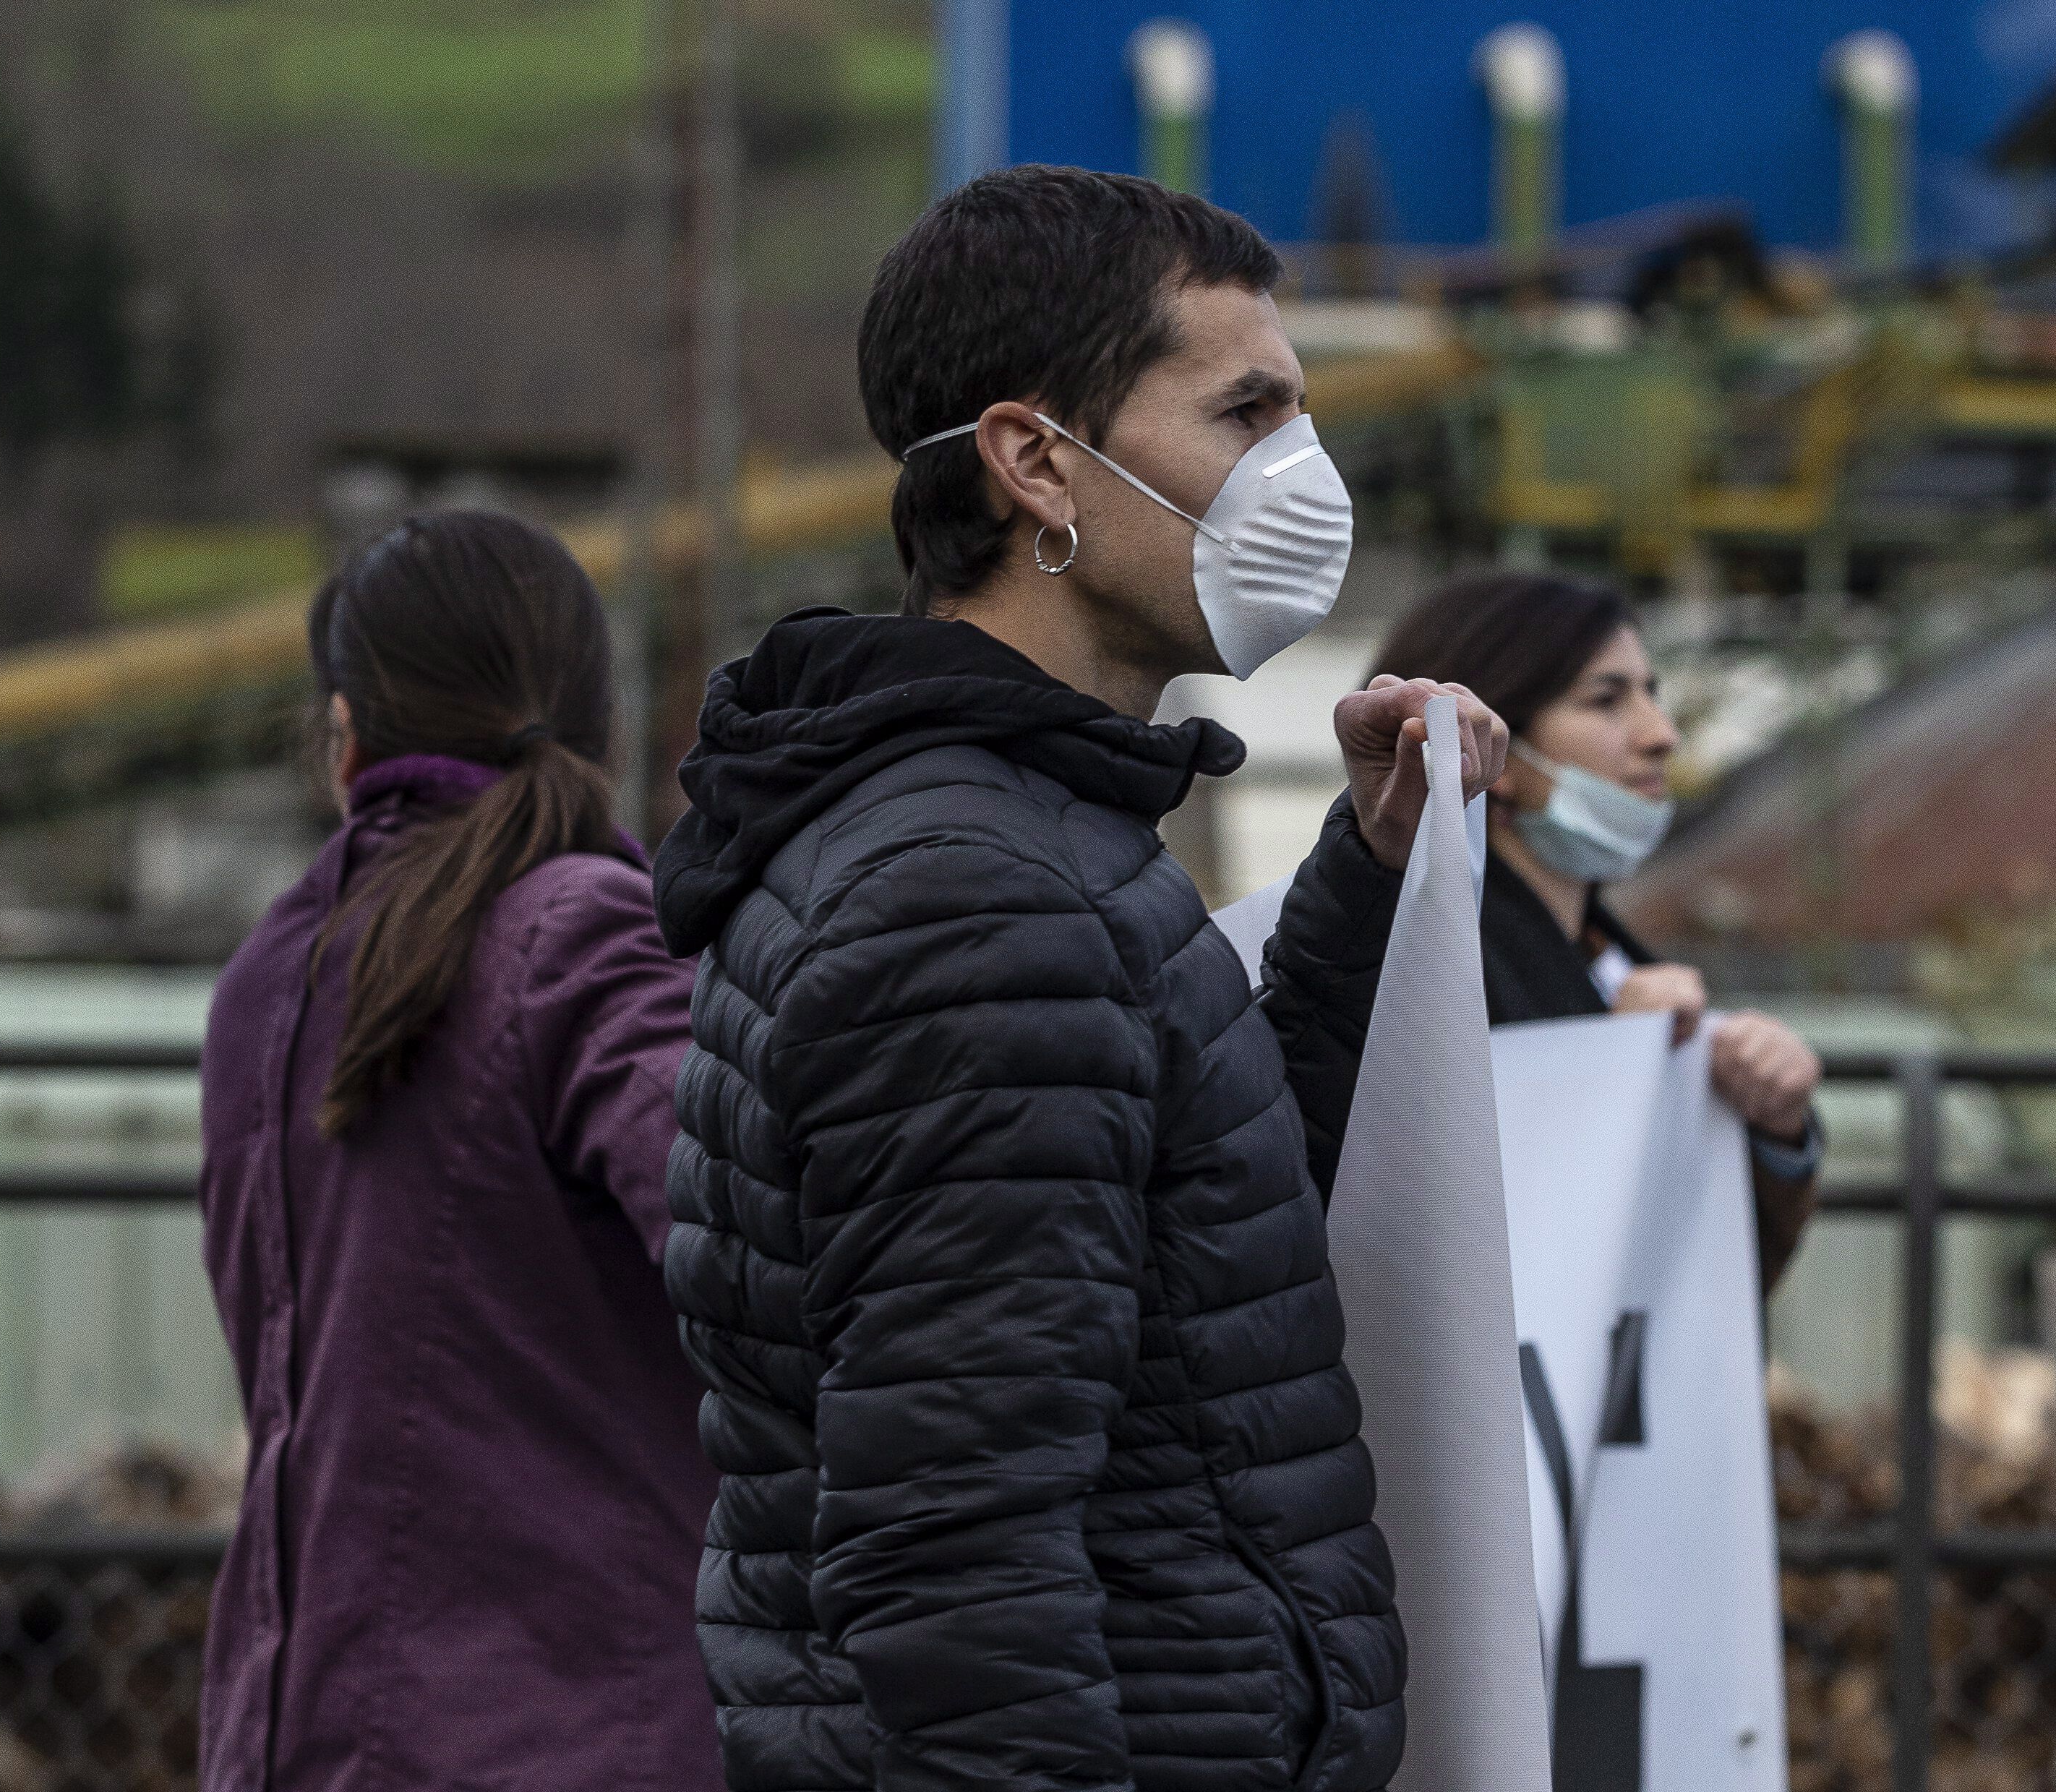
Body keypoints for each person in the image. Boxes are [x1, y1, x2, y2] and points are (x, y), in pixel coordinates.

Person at [655, 165, 1504, 1792]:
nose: (1300, 475)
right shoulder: (978, 903)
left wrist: (1364, 878)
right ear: (1037, 462)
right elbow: (958, 1556)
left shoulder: (1020, 839)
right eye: (1244, 412)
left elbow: (1192, 1243)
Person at [196, 509, 715, 1790]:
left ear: (345, 738)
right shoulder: (586, 930)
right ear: (597, 724)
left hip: (288, 1731)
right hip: (578, 1734)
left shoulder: (267, 976)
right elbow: (764, 1248)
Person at [1373, 569, 1826, 1290]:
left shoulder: (1610, 954)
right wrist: (1609, 1070)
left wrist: (1777, 1127)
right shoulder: (1420, 970)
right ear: (1494, 747)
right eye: (1607, 701)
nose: (1661, 736)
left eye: (1653, 694)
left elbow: (1705, 1288)